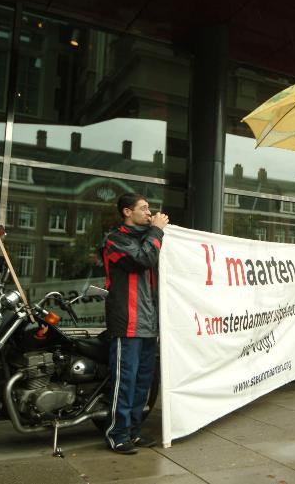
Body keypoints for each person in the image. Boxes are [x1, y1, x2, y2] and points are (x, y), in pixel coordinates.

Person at [103, 193, 169, 454]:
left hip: (149, 324)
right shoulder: (115, 240)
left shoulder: (149, 238)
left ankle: (133, 431)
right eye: (143, 208)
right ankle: (116, 433)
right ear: (127, 212)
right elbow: (142, 259)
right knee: (125, 381)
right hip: (127, 323)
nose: (148, 212)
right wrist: (157, 231)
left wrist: (158, 233)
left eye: (149, 208)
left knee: (144, 382)